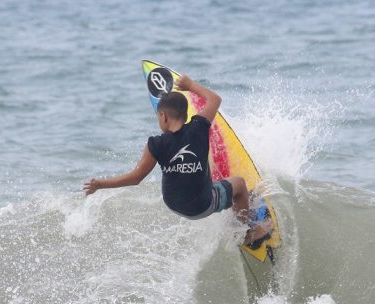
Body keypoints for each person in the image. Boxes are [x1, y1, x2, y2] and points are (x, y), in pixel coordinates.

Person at [83, 74, 271, 247]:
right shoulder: (199, 127)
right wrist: (190, 85)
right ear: (186, 113)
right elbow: (215, 99)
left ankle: (232, 207)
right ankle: (245, 233)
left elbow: (135, 178)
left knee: (203, 176)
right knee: (238, 184)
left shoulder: (156, 144)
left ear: (163, 116)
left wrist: (100, 184)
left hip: (174, 204)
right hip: (201, 206)